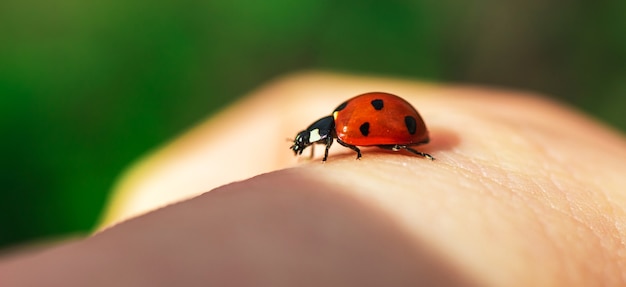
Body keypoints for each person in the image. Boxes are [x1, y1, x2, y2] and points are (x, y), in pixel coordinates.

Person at [1, 72, 625, 286]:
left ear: (320, 136)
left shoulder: (347, 129)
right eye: (311, 143)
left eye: (311, 144)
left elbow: (357, 135)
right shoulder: (343, 123)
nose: (312, 148)